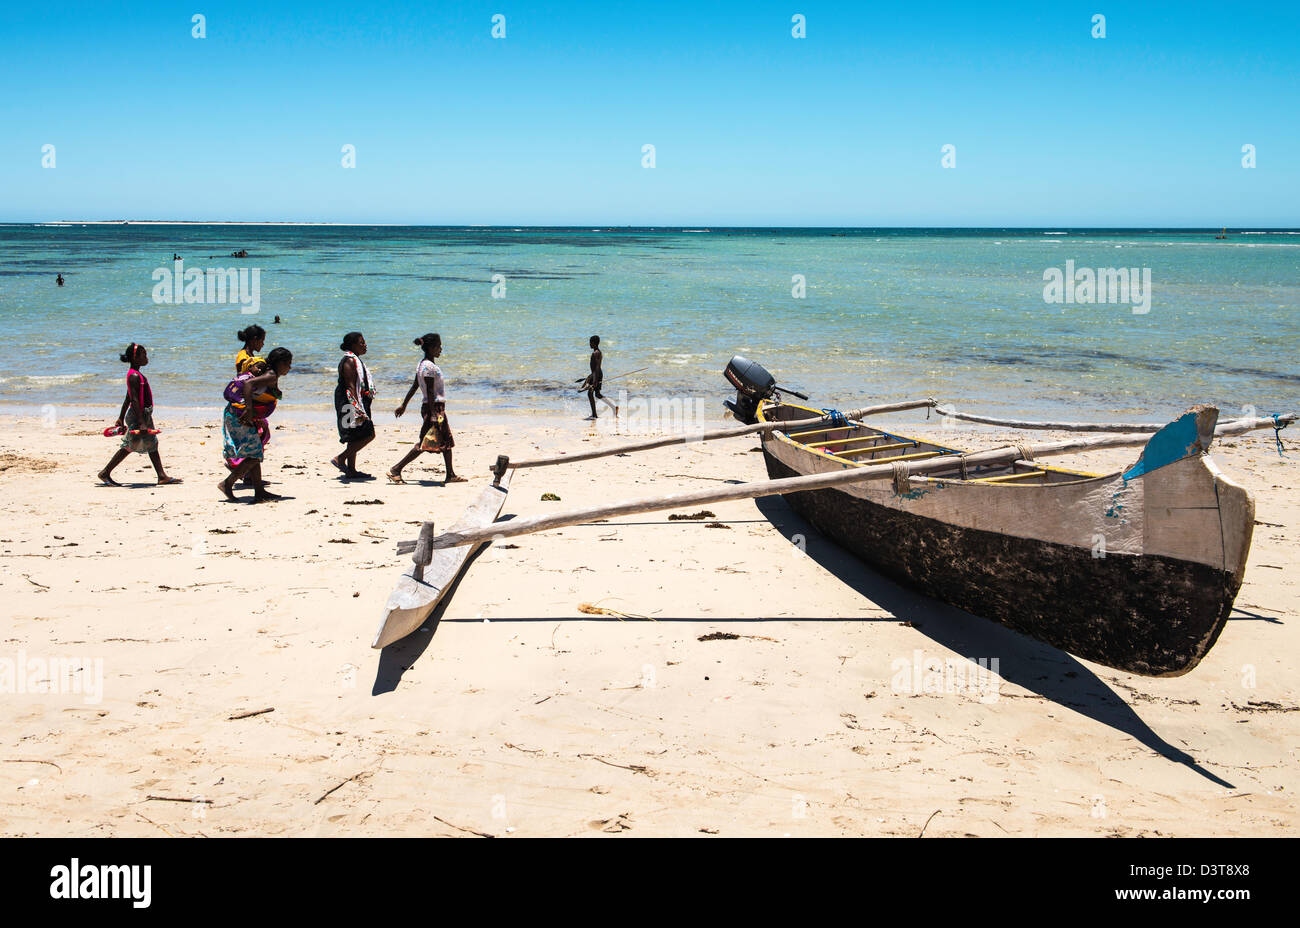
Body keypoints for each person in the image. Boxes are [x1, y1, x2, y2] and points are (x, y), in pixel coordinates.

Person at [97, 343, 181, 486]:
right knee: (131, 444)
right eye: (143, 355)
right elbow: (134, 400)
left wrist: (120, 417)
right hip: (139, 415)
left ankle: (162, 476)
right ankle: (105, 473)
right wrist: (141, 422)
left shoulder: (136, 375)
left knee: (150, 443)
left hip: (143, 414)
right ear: (135, 358)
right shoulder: (134, 376)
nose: (146, 357)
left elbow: (128, 397)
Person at [387, 333, 464, 484]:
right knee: (424, 443)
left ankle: (450, 474)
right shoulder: (429, 367)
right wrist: (434, 414)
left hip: (434, 407)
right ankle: (396, 469)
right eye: (438, 346)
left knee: (446, 439)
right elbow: (429, 391)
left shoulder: (423, 364)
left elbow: (415, 385)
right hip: (433, 407)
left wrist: (404, 404)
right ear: (430, 348)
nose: (440, 349)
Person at [219, 347, 292, 502]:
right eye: (288, 363)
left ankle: (259, 491)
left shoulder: (269, 373)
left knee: (255, 451)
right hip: (239, 416)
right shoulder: (271, 375)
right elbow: (248, 385)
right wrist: (250, 409)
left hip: (235, 414)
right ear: (280, 363)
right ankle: (227, 483)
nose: (290, 368)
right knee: (255, 455)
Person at [331, 331, 376, 479]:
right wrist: (358, 408)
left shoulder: (355, 359)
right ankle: (340, 458)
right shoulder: (349, 361)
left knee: (354, 436)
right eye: (361, 342)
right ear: (352, 345)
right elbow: (350, 387)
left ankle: (351, 470)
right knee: (368, 434)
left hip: (354, 400)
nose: (365, 345)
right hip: (348, 402)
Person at [581, 335, 618, 420]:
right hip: (595, 374)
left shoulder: (596, 353)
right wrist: (589, 378)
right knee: (596, 394)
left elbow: (597, 367)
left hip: (596, 375)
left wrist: (595, 380)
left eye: (590, 342)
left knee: (590, 393)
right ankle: (613, 407)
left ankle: (594, 414)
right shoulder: (598, 352)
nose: (589, 344)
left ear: (594, 343)